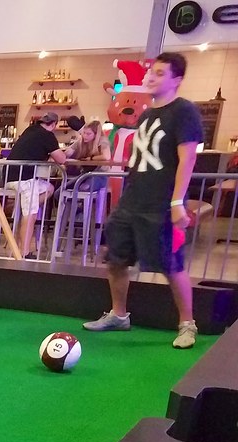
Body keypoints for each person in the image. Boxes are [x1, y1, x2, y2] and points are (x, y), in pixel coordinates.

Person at [83, 52, 203, 349]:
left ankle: (187, 324)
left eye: (161, 73)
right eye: (152, 72)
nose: (152, 77)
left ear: (177, 79)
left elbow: (187, 159)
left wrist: (177, 203)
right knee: (116, 258)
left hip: (161, 204)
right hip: (132, 202)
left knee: (171, 265)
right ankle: (119, 315)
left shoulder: (183, 111)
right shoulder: (147, 114)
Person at [5, 112, 67, 259]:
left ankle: (24, 207)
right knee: (31, 214)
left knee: (49, 188)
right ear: (53, 124)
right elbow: (61, 158)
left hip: (9, 176)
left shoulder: (30, 130)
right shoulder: (48, 135)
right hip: (24, 178)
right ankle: (23, 253)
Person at [63, 119, 111, 192]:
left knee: (83, 188)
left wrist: (90, 158)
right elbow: (68, 152)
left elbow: (106, 157)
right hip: (85, 174)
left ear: (96, 135)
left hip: (99, 175)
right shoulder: (81, 140)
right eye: (84, 133)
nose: (85, 136)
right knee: (59, 191)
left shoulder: (102, 141)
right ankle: (73, 202)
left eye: (88, 134)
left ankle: (78, 202)